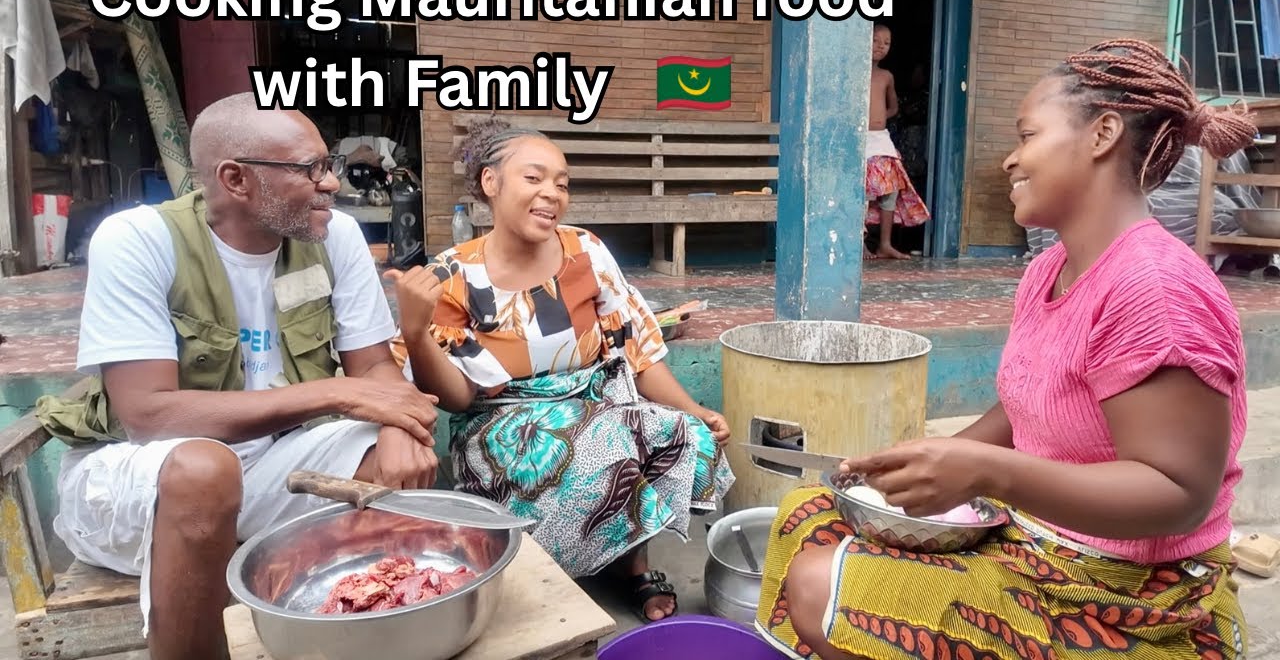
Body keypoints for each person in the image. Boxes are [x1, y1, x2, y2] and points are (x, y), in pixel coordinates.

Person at [755, 38, 1256, 659]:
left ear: (1102, 135)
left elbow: (1179, 495)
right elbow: (1025, 413)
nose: (1010, 161)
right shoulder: (1049, 270)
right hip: (1038, 537)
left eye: (1027, 136)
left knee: (820, 583)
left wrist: (989, 473)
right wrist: (920, 460)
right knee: (811, 514)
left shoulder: (1156, 289)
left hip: (1128, 589)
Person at [37, 93, 441, 660]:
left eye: (327, 165)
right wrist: (338, 393)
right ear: (236, 179)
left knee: (392, 456)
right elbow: (147, 415)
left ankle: (352, 641)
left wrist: (396, 426)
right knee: (206, 469)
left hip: (278, 465)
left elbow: (374, 368)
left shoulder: (334, 237)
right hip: (144, 488)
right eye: (311, 169)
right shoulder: (138, 240)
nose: (332, 183)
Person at [385, 116, 736, 623]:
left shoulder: (585, 252)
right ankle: (554, 566)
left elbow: (633, 352)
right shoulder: (454, 275)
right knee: (602, 446)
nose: (551, 193)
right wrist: (417, 333)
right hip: (503, 424)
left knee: (679, 434)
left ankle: (631, 562)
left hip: (596, 400)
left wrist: (695, 409)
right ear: (491, 182)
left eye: (562, 182)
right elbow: (459, 398)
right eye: (534, 178)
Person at [864, 23, 930, 260]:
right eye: (875, 40)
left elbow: (893, 107)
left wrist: (879, 119)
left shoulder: (886, 76)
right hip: (859, 140)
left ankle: (885, 243)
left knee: (889, 191)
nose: (881, 46)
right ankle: (859, 244)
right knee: (863, 192)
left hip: (880, 140)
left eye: (887, 42)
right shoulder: (853, 72)